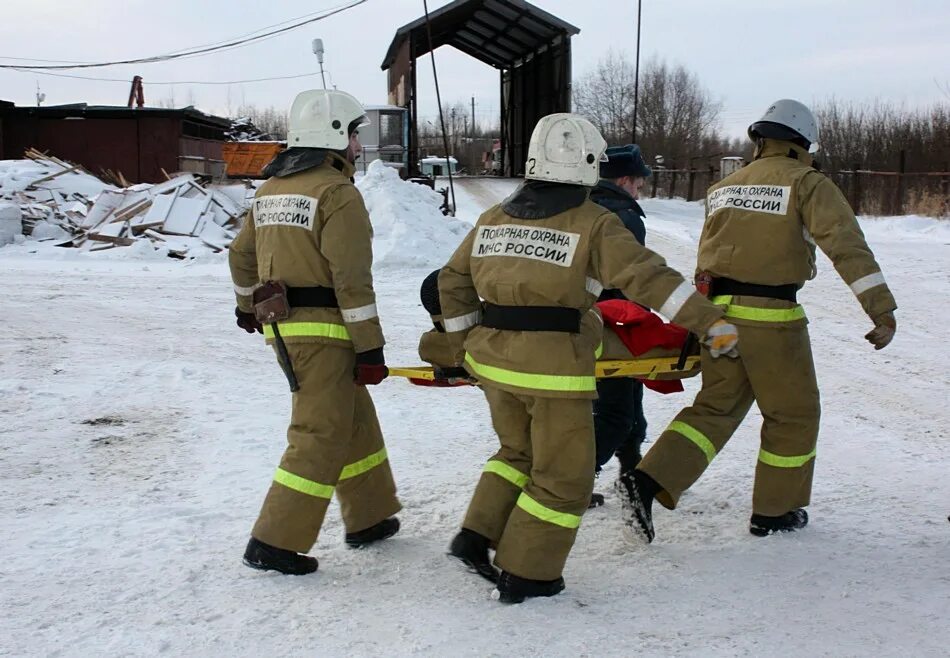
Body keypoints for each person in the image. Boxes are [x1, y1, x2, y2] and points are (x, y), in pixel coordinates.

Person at [439, 113, 739, 603]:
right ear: (589, 165)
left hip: (492, 363)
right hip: (553, 371)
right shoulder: (594, 223)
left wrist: (463, 345)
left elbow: (451, 281)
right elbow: (650, 279)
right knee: (563, 477)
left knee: (517, 453)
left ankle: (475, 536)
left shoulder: (493, 218)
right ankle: (528, 574)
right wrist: (710, 322)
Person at [624, 99, 898, 542]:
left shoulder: (726, 186)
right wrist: (879, 307)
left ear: (761, 139)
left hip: (719, 317)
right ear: (801, 142)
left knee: (715, 408)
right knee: (793, 415)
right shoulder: (808, 183)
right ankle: (775, 511)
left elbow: (707, 255)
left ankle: (647, 479)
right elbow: (847, 247)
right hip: (772, 320)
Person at [229, 89, 401, 575]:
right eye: (352, 134)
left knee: (351, 417)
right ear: (333, 137)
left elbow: (241, 256)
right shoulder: (336, 194)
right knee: (319, 431)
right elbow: (352, 281)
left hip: (284, 327)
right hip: (327, 332)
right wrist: (371, 348)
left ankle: (370, 516)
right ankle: (273, 542)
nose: (356, 145)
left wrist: (246, 306)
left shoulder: (269, 192)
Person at [589, 144, 653, 506]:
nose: (640, 189)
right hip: (613, 327)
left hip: (588, 323)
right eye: (639, 182)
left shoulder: (583, 207)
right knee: (616, 414)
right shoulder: (623, 217)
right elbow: (633, 279)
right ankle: (572, 483)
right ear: (626, 180)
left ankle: (632, 470)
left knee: (629, 403)